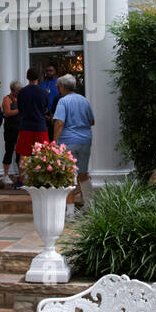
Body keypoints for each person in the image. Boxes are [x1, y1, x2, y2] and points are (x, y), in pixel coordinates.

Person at [52, 74, 95, 215]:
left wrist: (54, 142)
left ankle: (70, 212)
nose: (58, 89)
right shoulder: (84, 101)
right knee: (83, 174)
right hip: (85, 141)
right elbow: (92, 121)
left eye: (58, 87)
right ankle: (90, 206)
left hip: (68, 141)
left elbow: (59, 122)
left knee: (68, 175)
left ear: (62, 87)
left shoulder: (63, 102)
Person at [15, 66, 50, 163]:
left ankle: (22, 178)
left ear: (27, 77)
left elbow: (20, 109)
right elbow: (46, 109)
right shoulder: (44, 93)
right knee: (42, 155)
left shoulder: (21, 92)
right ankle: (39, 177)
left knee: (24, 154)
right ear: (38, 77)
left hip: (25, 126)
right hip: (40, 126)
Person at [1, 79, 22, 186]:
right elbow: (7, 112)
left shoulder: (20, 99)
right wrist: (20, 110)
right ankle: (5, 175)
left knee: (19, 152)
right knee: (9, 151)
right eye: (18, 90)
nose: (19, 92)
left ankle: (20, 174)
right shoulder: (7, 99)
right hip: (10, 128)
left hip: (20, 129)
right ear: (13, 90)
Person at [39, 63, 60, 133]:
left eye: (51, 71)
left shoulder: (60, 84)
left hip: (57, 116)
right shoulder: (41, 85)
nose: (48, 72)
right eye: (47, 71)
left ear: (55, 72)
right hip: (44, 117)